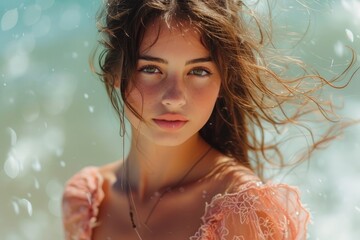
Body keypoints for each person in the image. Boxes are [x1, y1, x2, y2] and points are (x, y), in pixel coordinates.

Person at [61, 0, 355, 239]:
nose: (174, 96)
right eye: (151, 69)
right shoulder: (88, 202)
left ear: (222, 82)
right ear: (115, 73)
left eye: (198, 71)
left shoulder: (240, 212)